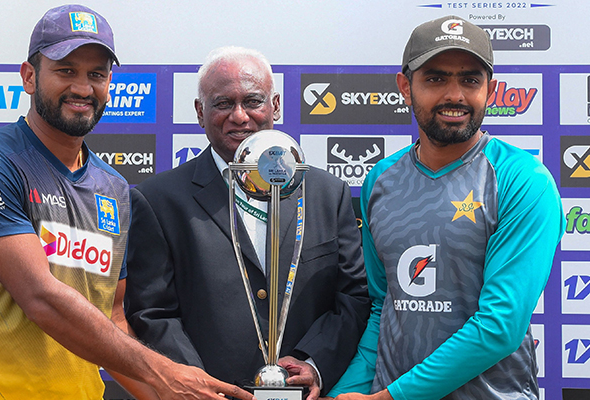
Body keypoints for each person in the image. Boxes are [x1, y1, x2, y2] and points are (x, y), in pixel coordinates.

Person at [0, 5, 254, 400]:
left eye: (97, 74)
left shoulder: (114, 188)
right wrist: (163, 371)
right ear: (29, 76)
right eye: (66, 70)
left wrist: (170, 393)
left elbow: (113, 317)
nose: (83, 88)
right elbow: (40, 296)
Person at [326, 15, 564, 400]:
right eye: (435, 78)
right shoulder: (380, 180)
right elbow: (383, 308)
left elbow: (500, 327)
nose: (454, 94)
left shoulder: (523, 180)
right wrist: (347, 392)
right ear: (406, 86)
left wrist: (389, 399)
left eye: (470, 79)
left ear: (491, 90)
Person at [125, 46, 371, 400]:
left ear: (276, 106)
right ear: (200, 112)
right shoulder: (159, 199)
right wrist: (195, 382)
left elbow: (351, 297)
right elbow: (153, 310)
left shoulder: (326, 193)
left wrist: (315, 362)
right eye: (223, 103)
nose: (239, 117)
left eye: (253, 101)